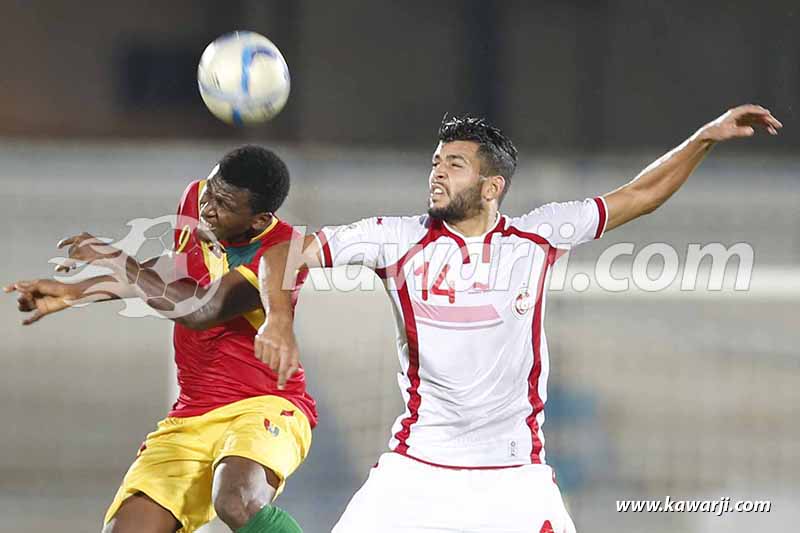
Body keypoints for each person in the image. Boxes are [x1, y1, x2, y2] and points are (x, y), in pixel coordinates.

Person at [255, 105, 781, 532]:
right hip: (415, 470)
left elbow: (640, 196)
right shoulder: (396, 238)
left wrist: (703, 138)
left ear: (492, 186)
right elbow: (284, 252)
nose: (437, 171)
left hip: (513, 477)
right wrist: (278, 320)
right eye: (436, 162)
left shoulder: (537, 237)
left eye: (455, 164)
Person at [5, 145, 316, 533]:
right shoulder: (195, 199)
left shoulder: (282, 253)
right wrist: (76, 291)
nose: (208, 208)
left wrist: (118, 258)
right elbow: (173, 274)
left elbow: (202, 309)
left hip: (264, 404)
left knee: (236, 501)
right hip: (192, 412)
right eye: (211, 191)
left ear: (258, 220)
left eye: (224, 204)